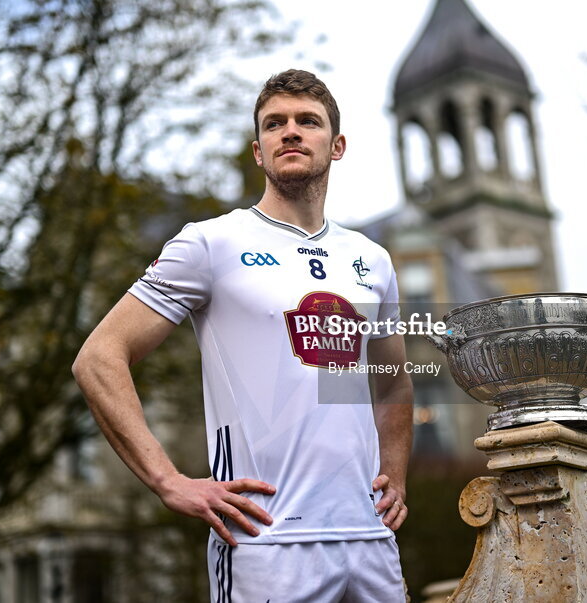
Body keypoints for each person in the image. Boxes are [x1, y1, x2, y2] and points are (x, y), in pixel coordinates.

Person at [72, 69, 413, 602]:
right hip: (266, 542)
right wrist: (167, 480)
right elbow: (97, 358)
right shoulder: (211, 244)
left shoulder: (373, 259)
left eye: (308, 121)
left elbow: (393, 381)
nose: (290, 131)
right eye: (274, 124)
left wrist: (395, 474)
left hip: (372, 540)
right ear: (259, 151)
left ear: (337, 145)